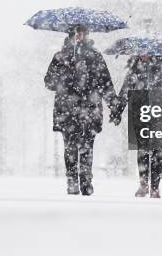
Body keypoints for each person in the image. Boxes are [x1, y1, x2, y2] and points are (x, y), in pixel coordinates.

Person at [44, 25, 116, 196]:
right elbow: (49, 82)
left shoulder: (95, 57)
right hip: (67, 110)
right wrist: (68, 75)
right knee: (70, 147)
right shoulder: (60, 57)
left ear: (86, 35)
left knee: (87, 146)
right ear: (70, 34)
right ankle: (72, 180)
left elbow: (105, 83)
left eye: (81, 32)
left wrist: (114, 106)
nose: (79, 36)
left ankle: (86, 180)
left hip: (89, 109)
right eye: (76, 32)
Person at [111, 55, 162, 198]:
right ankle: (143, 184)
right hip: (139, 113)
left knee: (157, 149)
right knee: (142, 149)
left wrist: (161, 86)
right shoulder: (134, 68)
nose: (143, 54)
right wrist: (117, 112)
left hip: (160, 113)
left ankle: (155, 187)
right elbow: (125, 90)